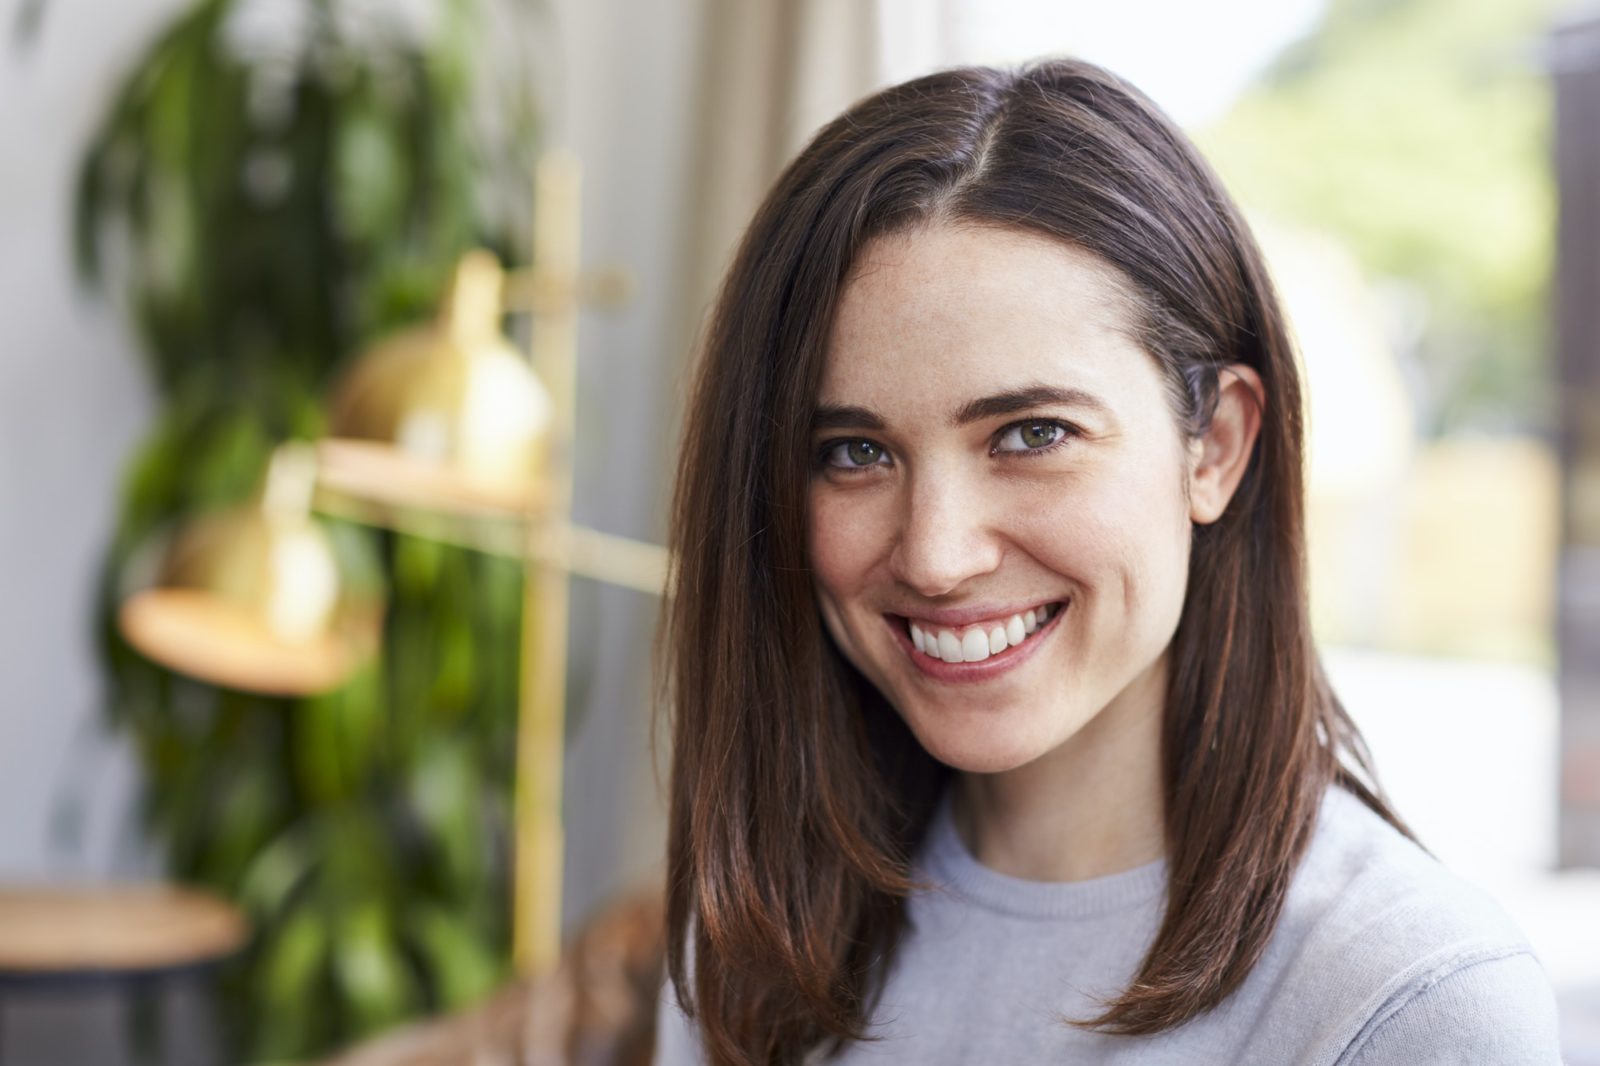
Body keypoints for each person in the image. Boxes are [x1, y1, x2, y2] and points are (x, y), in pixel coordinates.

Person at [653, 59, 1561, 1065]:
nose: (937, 556)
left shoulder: (1406, 1006)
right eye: (855, 452)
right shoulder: (755, 943)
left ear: (1214, 446)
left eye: (1032, 433)